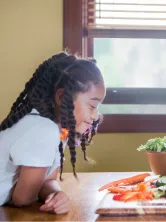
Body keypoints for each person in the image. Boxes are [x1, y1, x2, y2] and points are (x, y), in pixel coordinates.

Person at [0, 52, 106, 214]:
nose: (95, 115)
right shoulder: (43, 130)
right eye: (92, 106)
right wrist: (34, 186)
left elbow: (47, 179)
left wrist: (56, 194)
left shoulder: (60, 131)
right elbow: (23, 199)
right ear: (63, 97)